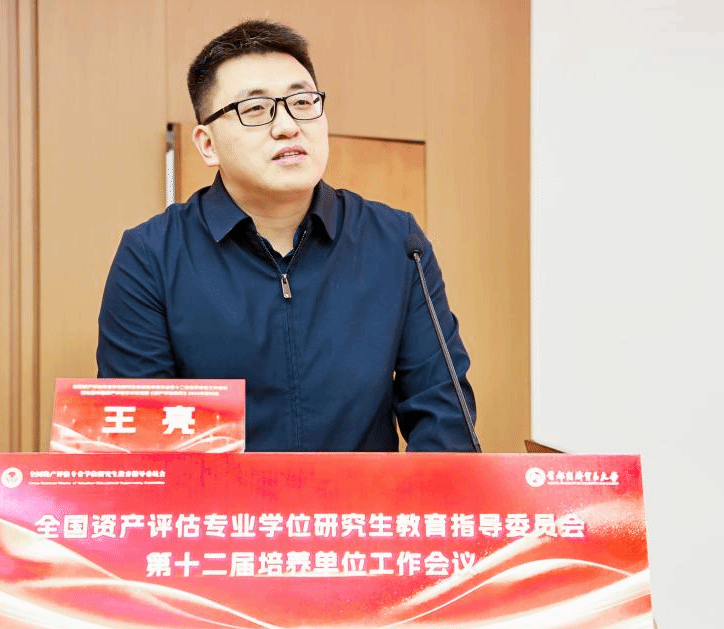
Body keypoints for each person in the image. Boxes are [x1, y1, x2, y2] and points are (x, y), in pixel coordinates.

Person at [96, 20, 476, 452]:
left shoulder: (395, 243)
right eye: (255, 109)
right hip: (217, 499)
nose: (288, 126)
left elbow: (444, 417)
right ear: (207, 144)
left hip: (364, 499)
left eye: (302, 101)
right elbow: (139, 447)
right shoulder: (152, 256)